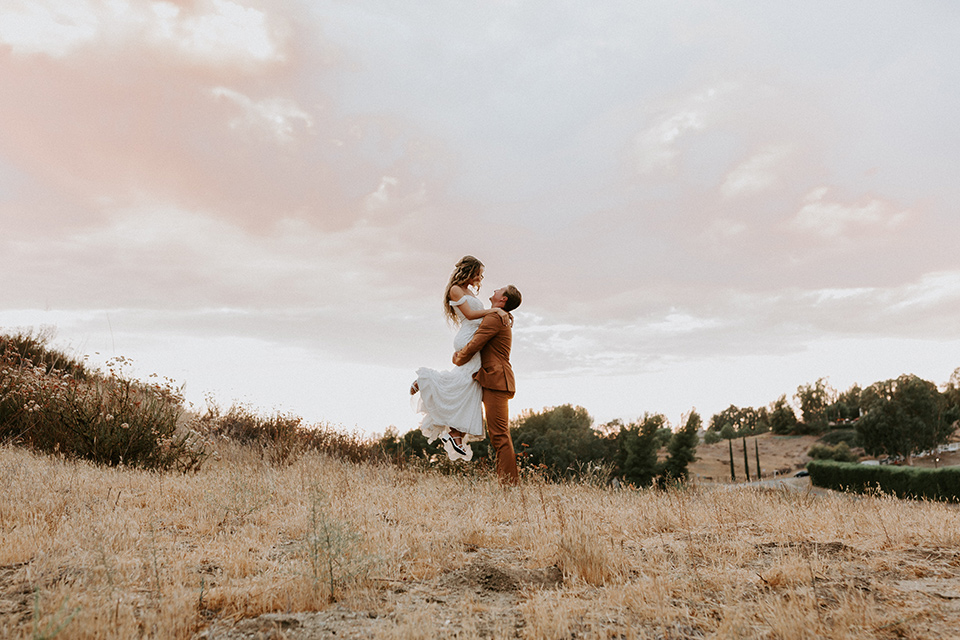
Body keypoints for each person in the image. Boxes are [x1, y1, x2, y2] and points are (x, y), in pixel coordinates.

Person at [411, 256, 508, 461]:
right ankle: (426, 380)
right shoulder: (455, 289)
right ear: (470, 271)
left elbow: (480, 317)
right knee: (468, 380)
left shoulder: (469, 291)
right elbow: (471, 315)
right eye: (479, 273)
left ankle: (456, 435)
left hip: (474, 337)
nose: (481, 277)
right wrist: (496, 310)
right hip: (467, 337)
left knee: (469, 384)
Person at [452, 284, 522, 484]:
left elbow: (476, 343)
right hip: (490, 378)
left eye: (499, 289)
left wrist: (459, 359)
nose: (495, 290)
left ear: (504, 299)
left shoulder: (495, 317)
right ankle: (455, 433)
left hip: (496, 380)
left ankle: (510, 485)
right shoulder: (498, 315)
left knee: (500, 436)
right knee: (498, 436)